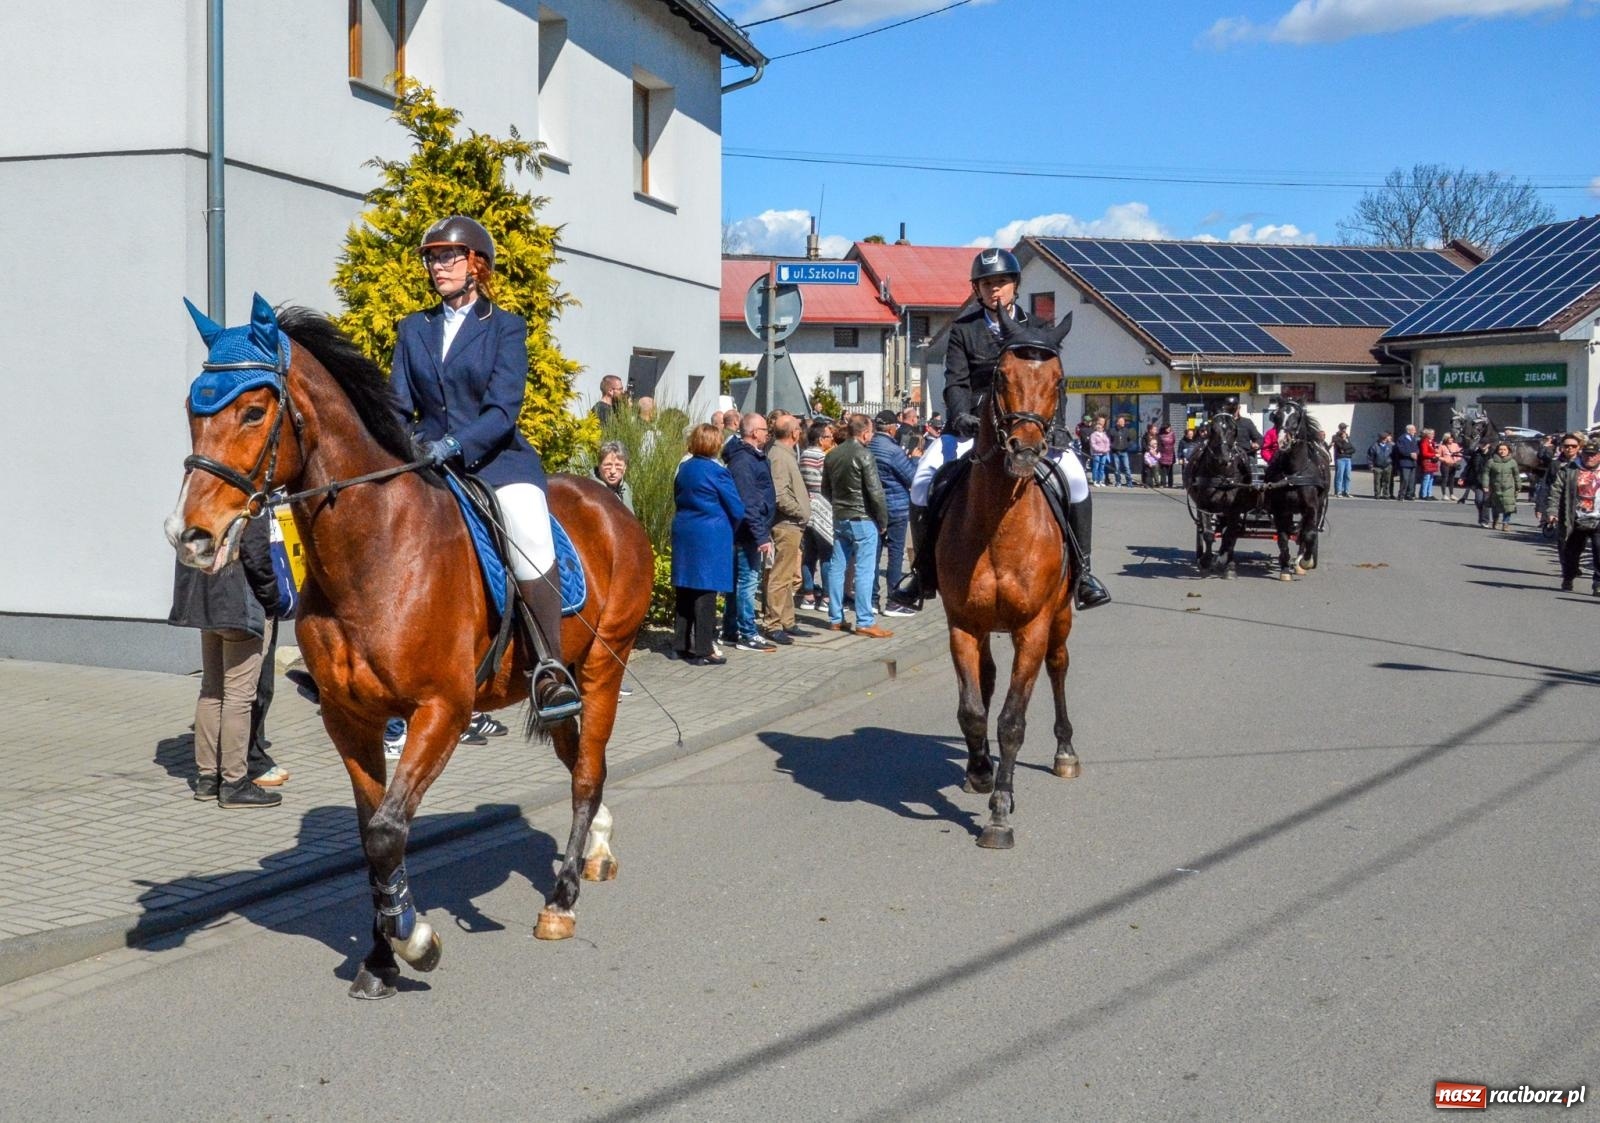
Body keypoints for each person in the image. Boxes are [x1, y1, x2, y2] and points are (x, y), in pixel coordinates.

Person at [391, 214, 580, 724]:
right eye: (432, 258)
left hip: (496, 461)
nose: (438, 267)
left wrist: (452, 444)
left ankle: (549, 667)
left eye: (447, 257)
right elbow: (397, 404)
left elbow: (502, 411)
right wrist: (402, 444)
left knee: (528, 532)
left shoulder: (505, 327)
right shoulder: (414, 328)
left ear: (477, 264)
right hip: (427, 460)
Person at [169, 514, 282, 808]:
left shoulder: (204, 497)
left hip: (206, 603)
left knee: (211, 690)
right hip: (239, 606)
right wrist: (272, 600)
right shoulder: (247, 500)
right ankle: (234, 782)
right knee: (239, 697)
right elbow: (256, 554)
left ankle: (207, 779)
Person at [671, 424, 744, 665]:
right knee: (705, 591)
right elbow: (736, 508)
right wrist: (729, 530)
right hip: (710, 534)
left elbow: (677, 497)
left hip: (684, 530)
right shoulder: (718, 472)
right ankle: (703, 648)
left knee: (684, 589)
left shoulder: (684, 468)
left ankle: (679, 644)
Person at [822, 414, 892, 637]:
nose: (871, 436)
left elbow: (825, 488)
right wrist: (882, 520)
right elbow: (875, 492)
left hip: (840, 516)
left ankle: (835, 617)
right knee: (865, 569)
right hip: (862, 518)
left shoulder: (832, 455)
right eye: (870, 432)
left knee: (837, 565)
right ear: (864, 433)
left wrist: (837, 505)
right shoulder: (865, 454)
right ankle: (864, 620)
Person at [722, 412, 778, 651]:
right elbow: (748, 502)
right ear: (755, 432)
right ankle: (747, 633)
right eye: (765, 430)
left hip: (749, 530)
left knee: (737, 583)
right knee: (746, 582)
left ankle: (731, 629)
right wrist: (761, 536)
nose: (767, 434)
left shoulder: (752, 457)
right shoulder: (743, 461)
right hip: (748, 533)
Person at [761, 414, 811, 642]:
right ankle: (772, 624)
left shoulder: (785, 454)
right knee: (779, 576)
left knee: (788, 575)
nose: (800, 431)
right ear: (794, 433)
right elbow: (780, 494)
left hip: (792, 524)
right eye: (798, 428)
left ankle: (787, 620)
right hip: (786, 524)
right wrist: (800, 511)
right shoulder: (780, 456)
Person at [870, 409, 917, 616]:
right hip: (896, 506)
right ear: (891, 428)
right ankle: (893, 600)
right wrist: (915, 459)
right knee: (895, 554)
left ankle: (871, 599)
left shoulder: (868, 445)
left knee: (874, 554)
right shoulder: (893, 450)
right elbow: (912, 477)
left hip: (873, 506)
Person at [1553, 439, 1600, 593]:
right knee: (1571, 554)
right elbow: (1555, 492)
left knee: (1599, 552)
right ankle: (1568, 577)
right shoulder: (1570, 469)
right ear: (1582, 454)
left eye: (1594, 455)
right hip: (1576, 518)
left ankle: (1598, 583)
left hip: (1598, 518)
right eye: (1587, 454)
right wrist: (1551, 512)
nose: (1590, 458)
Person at [798, 418, 833, 610]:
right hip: (822, 508)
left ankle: (808, 594)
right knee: (827, 554)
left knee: (809, 554)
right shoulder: (822, 458)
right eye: (828, 437)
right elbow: (827, 482)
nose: (831, 440)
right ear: (820, 439)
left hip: (807, 505)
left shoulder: (803, 456)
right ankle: (827, 597)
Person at [1458, 435, 1492, 527]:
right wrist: (1462, 477)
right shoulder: (1476, 454)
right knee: (1478, 500)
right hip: (1477, 480)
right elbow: (1469, 466)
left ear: (1488, 445)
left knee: (1485, 501)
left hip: (1489, 482)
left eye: (1484, 444)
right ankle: (1482, 517)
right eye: (1481, 444)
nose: (1482, 446)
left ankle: (1485, 520)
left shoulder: (1492, 455)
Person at [1486, 441, 1520, 530]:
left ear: (1508, 450)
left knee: (1508, 506)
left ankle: (1505, 523)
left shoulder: (1512, 462)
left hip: (1509, 488)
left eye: (1504, 449)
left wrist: (1518, 486)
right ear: (1497, 450)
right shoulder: (1491, 462)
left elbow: (1516, 475)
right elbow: (1486, 474)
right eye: (1500, 449)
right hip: (1495, 487)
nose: (1502, 451)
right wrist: (1485, 485)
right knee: (1495, 506)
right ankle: (1495, 521)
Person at [593, 440, 633, 513]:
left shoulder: (625, 488)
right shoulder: (591, 491)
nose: (613, 471)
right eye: (608, 465)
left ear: (625, 467)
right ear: (599, 466)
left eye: (618, 465)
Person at [1394, 424, 1420, 500]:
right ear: (1408, 430)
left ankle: (1409, 494)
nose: (1415, 431)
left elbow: (1417, 448)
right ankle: (1401, 494)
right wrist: (1409, 454)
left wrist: (1416, 453)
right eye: (1413, 430)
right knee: (1405, 479)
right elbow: (1400, 450)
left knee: (1412, 480)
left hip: (1413, 462)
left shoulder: (1414, 438)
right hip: (1405, 462)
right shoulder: (1401, 439)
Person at [1109, 416, 1137, 487]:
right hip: (1115, 452)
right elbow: (1109, 440)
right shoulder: (1112, 430)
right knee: (1116, 468)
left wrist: (1127, 445)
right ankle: (1118, 482)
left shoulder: (1126, 430)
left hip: (1124, 452)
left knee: (1127, 467)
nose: (1123, 423)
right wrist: (1112, 447)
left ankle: (1129, 482)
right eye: (1122, 422)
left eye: (1124, 422)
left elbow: (1130, 439)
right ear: (1118, 422)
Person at [1368, 431, 1394, 499]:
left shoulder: (1390, 445)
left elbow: (1393, 455)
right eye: (1383, 438)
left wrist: (1391, 463)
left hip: (1387, 465)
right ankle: (1377, 494)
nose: (1384, 440)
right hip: (1377, 466)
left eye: (1385, 438)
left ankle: (1386, 494)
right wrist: (1371, 465)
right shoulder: (1374, 446)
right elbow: (1370, 457)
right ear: (1380, 438)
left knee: (1387, 481)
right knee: (1377, 481)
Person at [1330, 422, 1354, 498]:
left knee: (1347, 475)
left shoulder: (1347, 437)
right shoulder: (1335, 437)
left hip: (1348, 458)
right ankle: (1338, 491)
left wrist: (1346, 449)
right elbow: (1340, 447)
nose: (1344, 430)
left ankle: (1346, 491)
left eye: (1345, 428)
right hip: (1340, 458)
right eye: (1343, 428)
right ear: (1340, 429)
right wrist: (1343, 440)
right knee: (1339, 475)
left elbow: (1352, 449)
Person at [1436, 432, 1462, 500]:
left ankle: (1452, 494)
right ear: (1446, 438)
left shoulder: (1455, 445)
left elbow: (1460, 454)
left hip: (1453, 464)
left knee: (1452, 479)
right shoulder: (1442, 446)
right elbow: (1438, 456)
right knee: (1445, 479)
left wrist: (1456, 460)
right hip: (1445, 465)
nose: (1451, 439)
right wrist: (1444, 459)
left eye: (1452, 438)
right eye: (1449, 438)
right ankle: (1444, 494)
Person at [1087, 417, 1111, 485]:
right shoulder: (1093, 435)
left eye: (1101, 428)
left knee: (1102, 468)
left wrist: (1106, 450)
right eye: (1098, 428)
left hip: (1104, 454)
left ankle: (1100, 480)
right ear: (1096, 428)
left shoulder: (1104, 435)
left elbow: (1107, 442)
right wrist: (1102, 450)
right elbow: (1093, 445)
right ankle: (1095, 480)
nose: (1100, 429)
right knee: (1096, 467)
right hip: (1096, 454)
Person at [1418, 428, 1440, 499]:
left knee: (1431, 478)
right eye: (1432, 434)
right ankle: (1423, 494)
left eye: (1433, 434)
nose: (1433, 435)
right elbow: (1424, 453)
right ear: (1427, 435)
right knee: (1426, 478)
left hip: (1432, 462)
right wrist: (1433, 455)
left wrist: (1436, 451)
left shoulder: (1432, 442)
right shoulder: (1424, 442)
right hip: (1427, 461)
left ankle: (1429, 493)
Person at [1157, 423, 1176, 488]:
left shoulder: (1172, 434)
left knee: (1170, 470)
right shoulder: (1160, 435)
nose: (1169, 429)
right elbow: (1159, 444)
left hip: (1171, 453)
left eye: (1169, 427)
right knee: (1163, 470)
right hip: (1163, 453)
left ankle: (1170, 484)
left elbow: (1174, 441)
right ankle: (1163, 483)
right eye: (1167, 428)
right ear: (1164, 428)